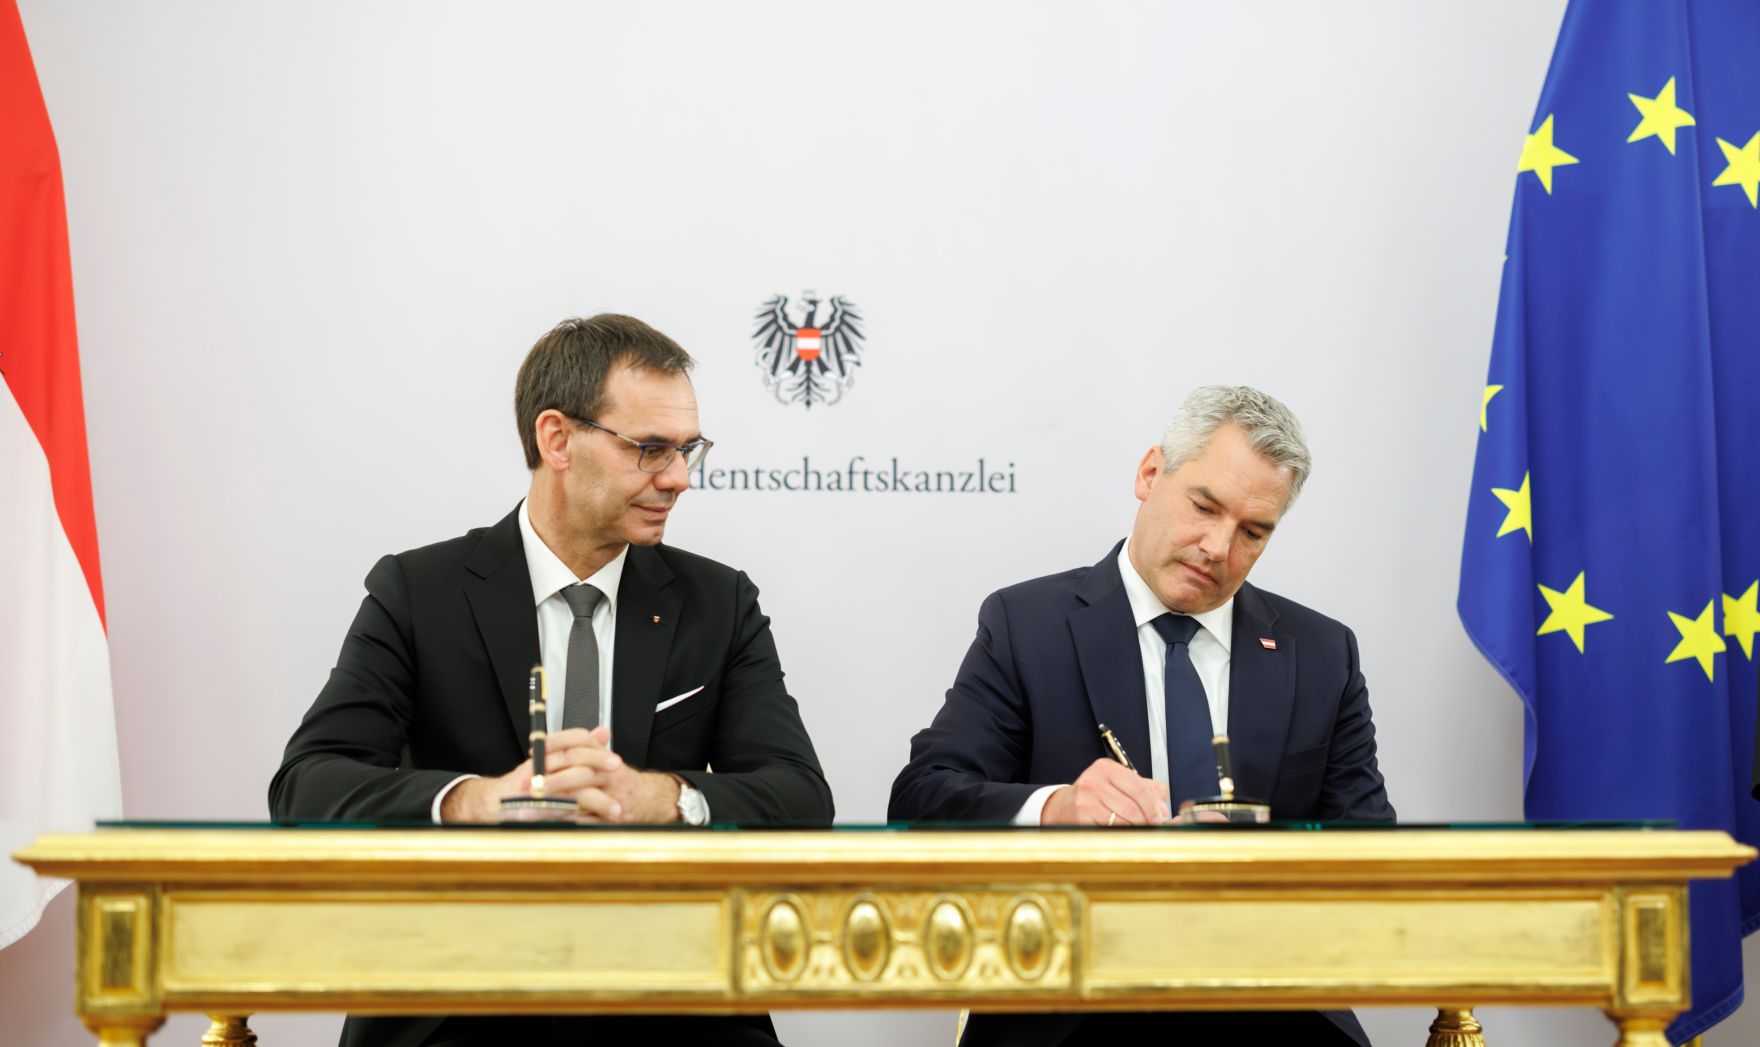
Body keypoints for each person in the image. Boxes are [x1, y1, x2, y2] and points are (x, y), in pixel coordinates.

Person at [270, 314, 832, 1047]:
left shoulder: (719, 603)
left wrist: (661, 796)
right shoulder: (419, 591)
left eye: (688, 449)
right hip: (456, 1000)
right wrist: (473, 801)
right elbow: (308, 784)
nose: (680, 478)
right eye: (651, 449)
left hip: (671, 1002)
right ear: (557, 439)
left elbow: (799, 794)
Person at [889, 385, 1392, 1047]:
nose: (1218, 546)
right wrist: (1055, 808)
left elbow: (1373, 854)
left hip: (1273, 1006)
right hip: (1075, 1007)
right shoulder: (1027, 624)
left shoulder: (1322, 652)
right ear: (1150, 473)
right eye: (1204, 506)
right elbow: (921, 799)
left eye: (1253, 531)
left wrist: (1280, 858)